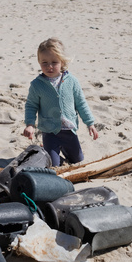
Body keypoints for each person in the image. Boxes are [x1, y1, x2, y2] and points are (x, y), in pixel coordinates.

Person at [23, 38, 99, 167]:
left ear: (62, 61)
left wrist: (90, 123)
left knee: (78, 160)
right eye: (44, 62)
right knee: (54, 165)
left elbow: (81, 103)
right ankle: (49, 150)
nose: (49, 66)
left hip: (69, 130)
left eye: (54, 62)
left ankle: (64, 149)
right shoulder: (37, 85)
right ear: (39, 62)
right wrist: (30, 124)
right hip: (49, 131)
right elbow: (31, 105)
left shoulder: (72, 81)